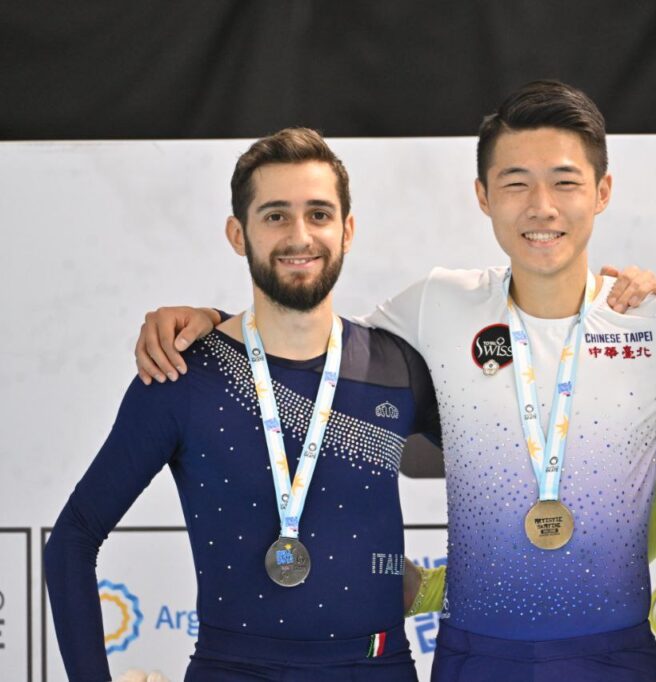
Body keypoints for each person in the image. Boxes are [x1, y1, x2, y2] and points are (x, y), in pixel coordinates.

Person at [131, 82, 656, 681]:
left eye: (565, 182)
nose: (542, 206)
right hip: (473, 652)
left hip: (614, 653)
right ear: (482, 196)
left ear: (603, 190)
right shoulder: (434, 306)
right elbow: (309, 337)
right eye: (517, 182)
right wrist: (211, 320)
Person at [45, 128, 443, 682]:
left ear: (348, 230)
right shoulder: (181, 374)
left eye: (320, 214)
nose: (300, 235)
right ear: (238, 233)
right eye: (276, 215)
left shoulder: (398, 369)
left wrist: (606, 310)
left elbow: (517, 466)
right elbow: (73, 538)